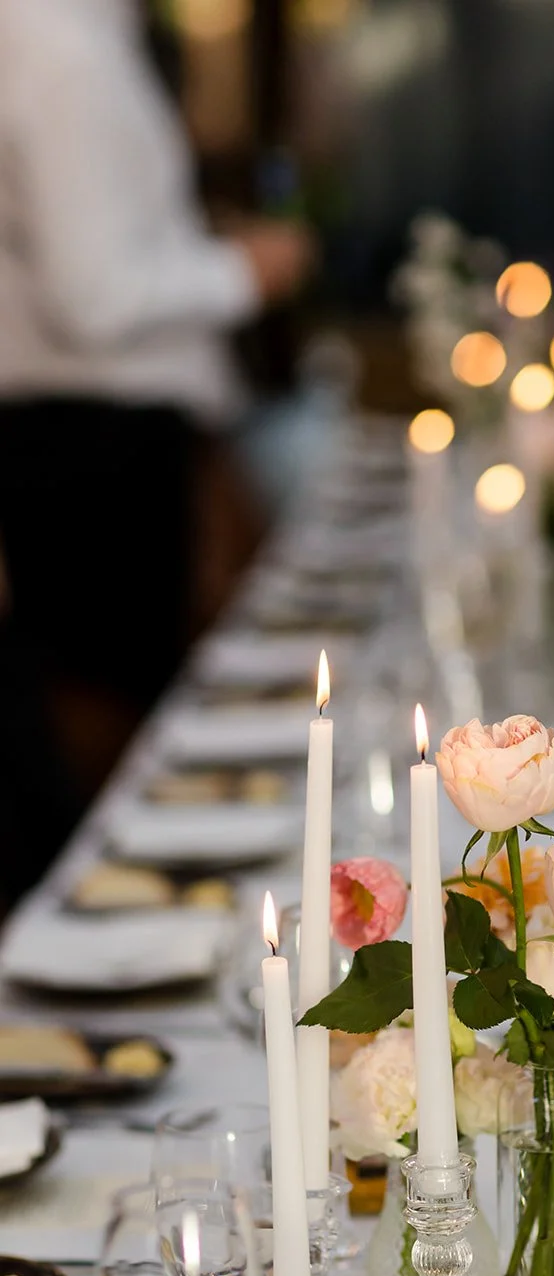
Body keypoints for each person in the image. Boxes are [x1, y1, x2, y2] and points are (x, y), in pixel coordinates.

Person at [0, 0, 314, 821]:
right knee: (123, 763)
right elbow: (93, 298)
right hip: (92, 444)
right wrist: (244, 272)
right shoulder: (62, 49)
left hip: (91, 434)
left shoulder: (78, 38)